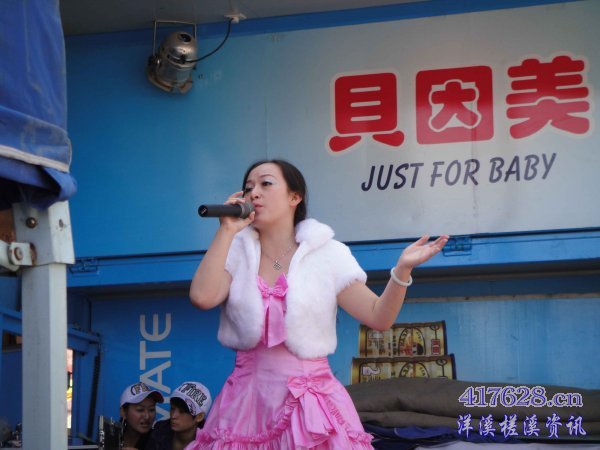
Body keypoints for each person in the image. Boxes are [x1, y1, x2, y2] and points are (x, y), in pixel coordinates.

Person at [189, 159, 448, 449]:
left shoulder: (327, 253)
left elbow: (379, 317)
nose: (254, 193)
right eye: (248, 188)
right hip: (246, 403)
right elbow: (202, 297)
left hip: (311, 401)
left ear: (294, 197)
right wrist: (226, 231)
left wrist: (402, 271)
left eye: (266, 183)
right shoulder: (235, 249)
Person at [146, 381, 212, 450]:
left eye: (182, 412)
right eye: (172, 408)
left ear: (199, 417)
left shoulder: (210, 445)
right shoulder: (159, 430)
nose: (173, 416)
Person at [120, 381, 164, 450]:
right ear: (123, 412)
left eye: (151, 409)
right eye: (140, 410)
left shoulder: (159, 442)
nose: (147, 416)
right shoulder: (110, 435)